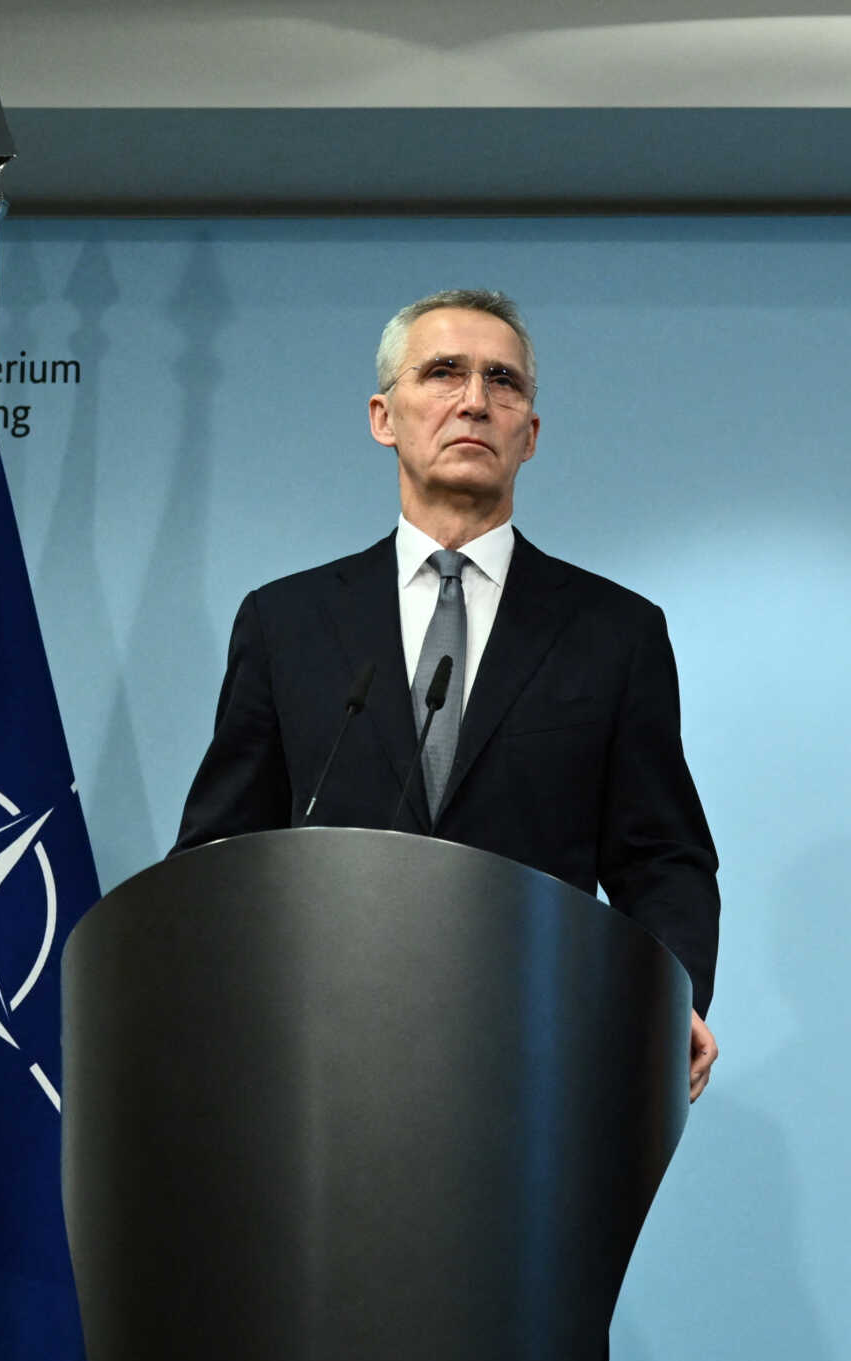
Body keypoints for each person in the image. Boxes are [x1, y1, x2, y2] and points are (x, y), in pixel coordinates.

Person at [174, 288, 721, 1100]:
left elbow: (660, 857)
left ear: (529, 434)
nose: (474, 401)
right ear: (383, 418)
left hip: (537, 1057)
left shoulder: (614, 631)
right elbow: (221, 850)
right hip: (319, 1058)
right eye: (443, 373)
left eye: (503, 382)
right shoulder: (286, 622)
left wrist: (669, 995)